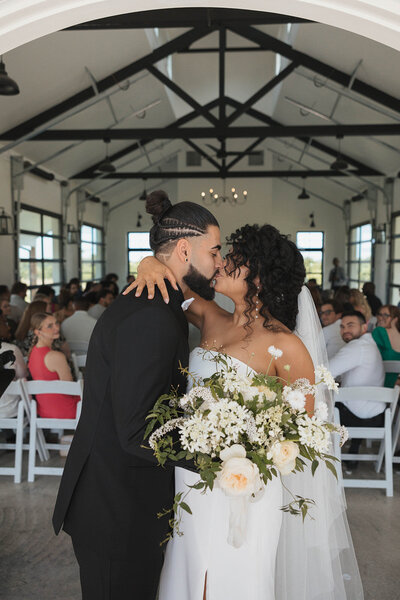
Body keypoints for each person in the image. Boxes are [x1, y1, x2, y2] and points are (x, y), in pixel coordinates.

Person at [127, 223, 363, 600]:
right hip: (191, 477)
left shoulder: (286, 345)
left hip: (246, 489)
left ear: (260, 277)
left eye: (235, 259)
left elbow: (303, 432)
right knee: (187, 569)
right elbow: (172, 282)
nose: (220, 263)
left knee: (236, 578)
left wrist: (248, 449)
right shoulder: (210, 316)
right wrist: (146, 263)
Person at [52, 191, 223, 600]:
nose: (219, 263)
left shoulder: (161, 304)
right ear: (184, 249)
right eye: (215, 251)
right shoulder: (151, 315)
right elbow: (137, 430)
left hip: (125, 503)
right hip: (116, 511)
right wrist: (216, 454)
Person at [330, 310, 385, 464]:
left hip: (357, 417)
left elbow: (325, 373)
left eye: (350, 325)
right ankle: (352, 454)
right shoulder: (369, 344)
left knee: (322, 404)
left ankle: (323, 462)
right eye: (342, 327)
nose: (345, 330)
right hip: (376, 415)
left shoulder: (358, 346)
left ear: (364, 326)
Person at [28, 313, 79, 418]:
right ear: (38, 332)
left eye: (56, 323)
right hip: (66, 409)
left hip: (44, 410)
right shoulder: (56, 356)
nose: (56, 328)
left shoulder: (33, 352)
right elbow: (70, 389)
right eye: (50, 326)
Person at [372, 305, 400, 387]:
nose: (381, 318)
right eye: (379, 314)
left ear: (395, 319)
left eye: (386, 315)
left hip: (384, 385)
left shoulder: (379, 331)